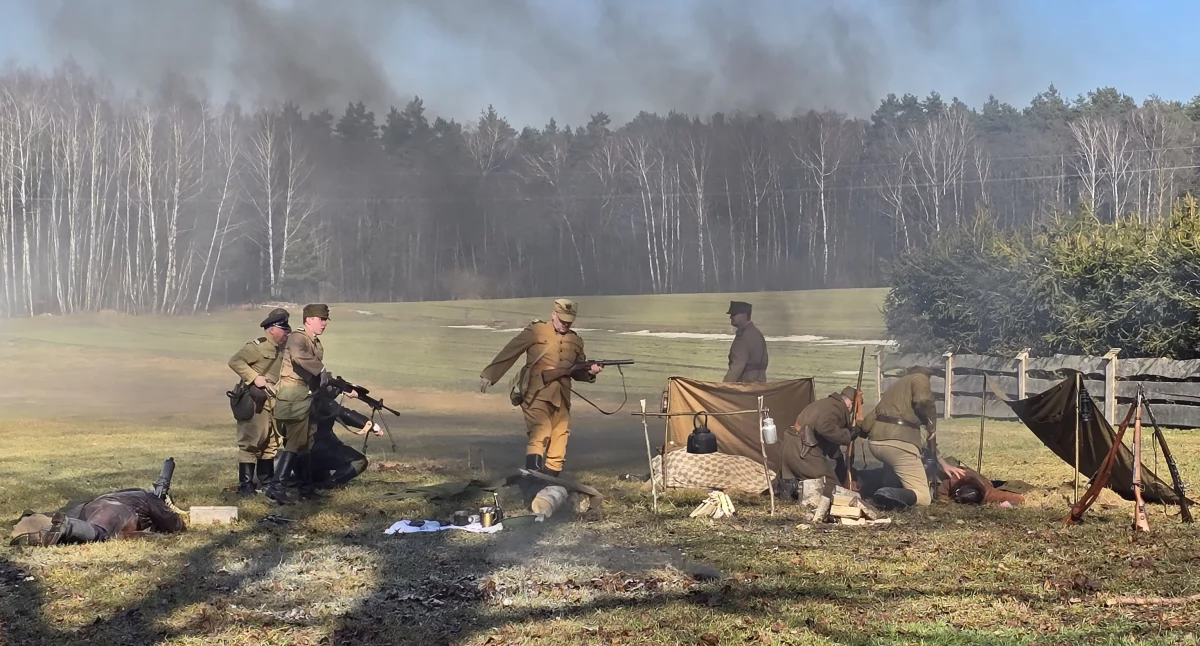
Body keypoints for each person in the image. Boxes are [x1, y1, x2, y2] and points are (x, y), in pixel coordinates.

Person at [479, 298, 603, 503]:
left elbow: (577, 371)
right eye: (562, 319)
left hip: (561, 395)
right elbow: (511, 350)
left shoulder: (576, 341)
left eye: (569, 321)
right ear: (554, 315)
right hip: (535, 391)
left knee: (561, 437)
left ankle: (547, 483)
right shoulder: (536, 330)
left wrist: (591, 372)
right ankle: (532, 482)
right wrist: (490, 374)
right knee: (541, 431)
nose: (565, 324)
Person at [267, 303, 355, 505]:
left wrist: (341, 386)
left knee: (305, 444)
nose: (324, 323)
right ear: (308, 319)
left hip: (306, 396)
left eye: (325, 320)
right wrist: (321, 370)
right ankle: (276, 487)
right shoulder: (297, 338)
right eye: (321, 319)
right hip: (293, 396)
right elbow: (300, 357)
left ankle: (305, 488)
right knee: (295, 442)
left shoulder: (315, 342)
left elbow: (317, 376)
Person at [860, 366, 968, 509]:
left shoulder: (895, 388)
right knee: (924, 497)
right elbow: (923, 401)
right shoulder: (920, 378)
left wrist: (943, 463)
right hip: (899, 445)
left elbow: (866, 425)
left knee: (894, 465)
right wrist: (931, 419)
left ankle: (887, 486)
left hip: (876, 444)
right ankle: (886, 493)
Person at [227, 307, 290, 496]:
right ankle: (246, 485)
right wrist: (255, 378)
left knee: (270, 443)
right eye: (283, 329)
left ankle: (266, 481)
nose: (286, 333)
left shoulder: (283, 349)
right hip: (256, 403)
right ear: (272, 329)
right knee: (250, 443)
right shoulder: (256, 347)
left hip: (274, 403)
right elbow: (235, 361)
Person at [777, 387, 862, 498]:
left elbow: (826, 437)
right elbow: (824, 428)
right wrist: (848, 435)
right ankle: (798, 488)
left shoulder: (827, 404)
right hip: (803, 450)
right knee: (831, 487)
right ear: (851, 403)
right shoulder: (837, 408)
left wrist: (838, 458)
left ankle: (793, 487)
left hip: (790, 446)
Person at [309, 383, 383, 488]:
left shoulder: (300, 398)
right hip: (318, 449)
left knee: (320, 476)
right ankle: (330, 485)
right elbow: (343, 414)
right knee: (359, 461)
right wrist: (370, 425)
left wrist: (343, 389)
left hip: (299, 454)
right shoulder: (321, 401)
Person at [723, 301, 767, 382]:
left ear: (744, 315)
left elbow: (737, 366)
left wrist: (724, 385)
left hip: (745, 384)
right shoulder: (757, 333)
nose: (730, 317)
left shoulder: (743, 337)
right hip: (760, 383)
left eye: (734, 314)